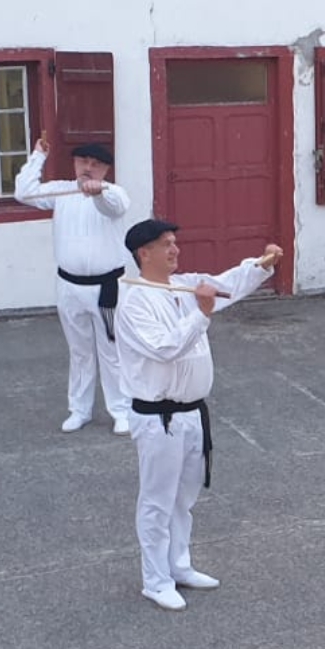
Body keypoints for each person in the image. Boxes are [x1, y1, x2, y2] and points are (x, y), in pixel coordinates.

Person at [116, 219, 283, 611]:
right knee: (157, 500)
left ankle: (178, 566)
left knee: (183, 498)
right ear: (144, 253)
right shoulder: (134, 301)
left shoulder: (184, 285)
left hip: (192, 413)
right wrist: (201, 314)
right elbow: (164, 348)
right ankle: (155, 580)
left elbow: (225, 283)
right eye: (166, 244)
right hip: (158, 417)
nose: (175, 250)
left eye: (175, 242)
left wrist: (262, 264)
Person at [15, 140, 133, 435]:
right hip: (69, 286)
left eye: (95, 164)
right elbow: (23, 192)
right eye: (83, 161)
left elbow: (113, 207)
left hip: (107, 288)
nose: (88, 168)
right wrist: (39, 155)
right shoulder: (61, 191)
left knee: (112, 351)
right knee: (80, 352)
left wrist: (98, 191)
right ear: (75, 164)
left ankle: (121, 410)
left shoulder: (114, 193)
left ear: (106, 169)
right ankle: (79, 410)